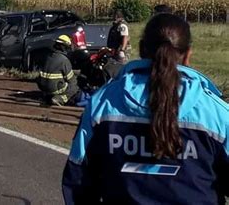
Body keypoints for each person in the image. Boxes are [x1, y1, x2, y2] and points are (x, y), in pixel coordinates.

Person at [62, 13, 228, 204]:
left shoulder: (102, 104)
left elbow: (78, 181)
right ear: (188, 54)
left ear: (141, 49)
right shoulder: (216, 114)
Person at [37, 35, 78, 106]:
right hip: (55, 89)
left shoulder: (48, 56)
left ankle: (46, 98)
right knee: (75, 87)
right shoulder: (64, 60)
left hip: (43, 88)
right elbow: (71, 80)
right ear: (64, 47)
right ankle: (60, 99)